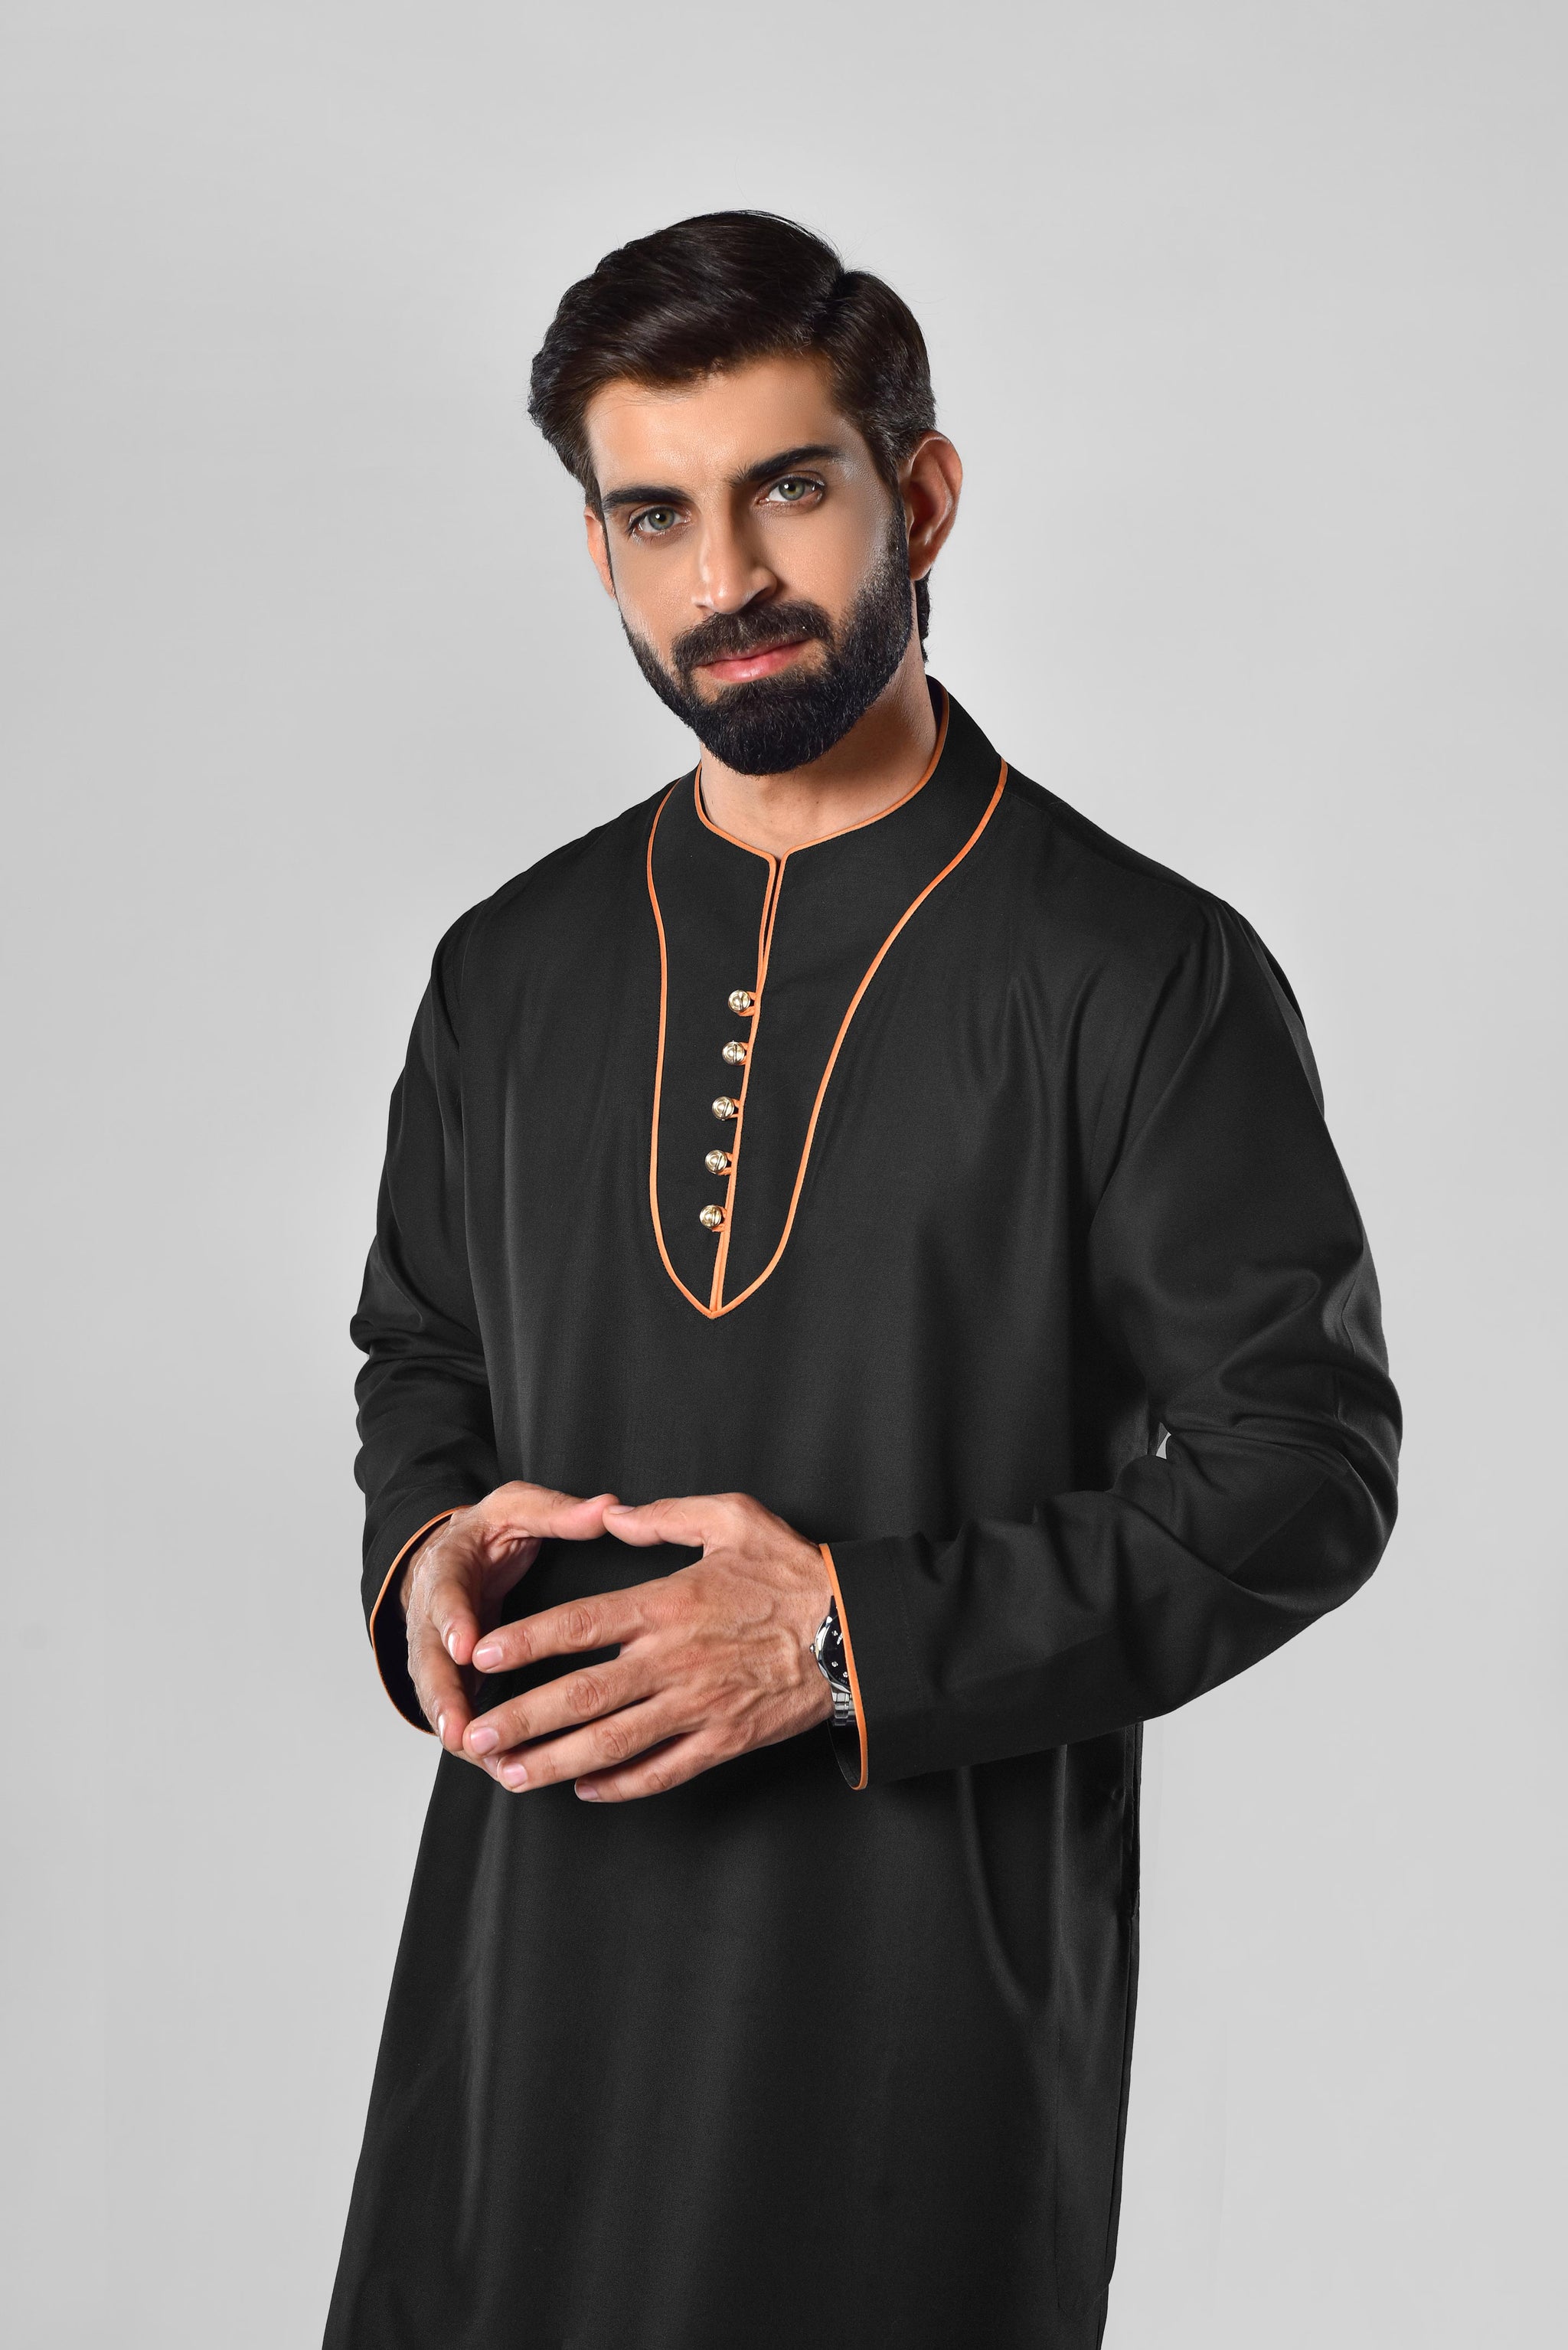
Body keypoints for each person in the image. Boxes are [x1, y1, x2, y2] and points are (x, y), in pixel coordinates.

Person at [325, 211, 1400, 2350]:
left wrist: (836, 1639)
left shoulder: (1139, 974)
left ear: (921, 494)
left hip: (913, 2027)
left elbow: (1303, 1472)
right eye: (654, 516)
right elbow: (422, 1348)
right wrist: (426, 1542)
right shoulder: (509, 971)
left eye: (787, 489)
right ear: (599, 548)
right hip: (523, 1995)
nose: (723, 577)